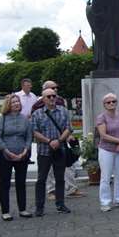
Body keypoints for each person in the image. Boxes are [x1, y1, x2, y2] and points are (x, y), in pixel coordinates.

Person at [31, 87, 74, 216]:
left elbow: (68, 128)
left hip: (59, 150)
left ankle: (60, 204)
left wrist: (59, 141)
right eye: (48, 96)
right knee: (41, 179)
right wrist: (49, 141)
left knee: (60, 178)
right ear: (43, 99)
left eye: (54, 96)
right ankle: (39, 207)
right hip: (44, 151)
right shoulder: (37, 114)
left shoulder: (63, 111)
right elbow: (34, 132)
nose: (52, 98)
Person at [0, 94, 33, 220]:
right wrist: (6, 151)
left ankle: (23, 209)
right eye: (13, 102)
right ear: (8, 105)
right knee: (5, 183)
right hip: (5, 155)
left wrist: (25, 151)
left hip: (22, 155)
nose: (16, 104)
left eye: (17, 101)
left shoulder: (24, 119)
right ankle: (5, 211)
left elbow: (29, 136)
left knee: (21, 182)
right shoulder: (3, 118)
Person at [96, 93, 119, 212]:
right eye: (108, 102)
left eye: (113, 101)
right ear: (104, 104)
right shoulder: (101, 117)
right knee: (106, 176)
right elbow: (103, 135)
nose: (111, 104)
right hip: (106, 149)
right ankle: (105, 202)